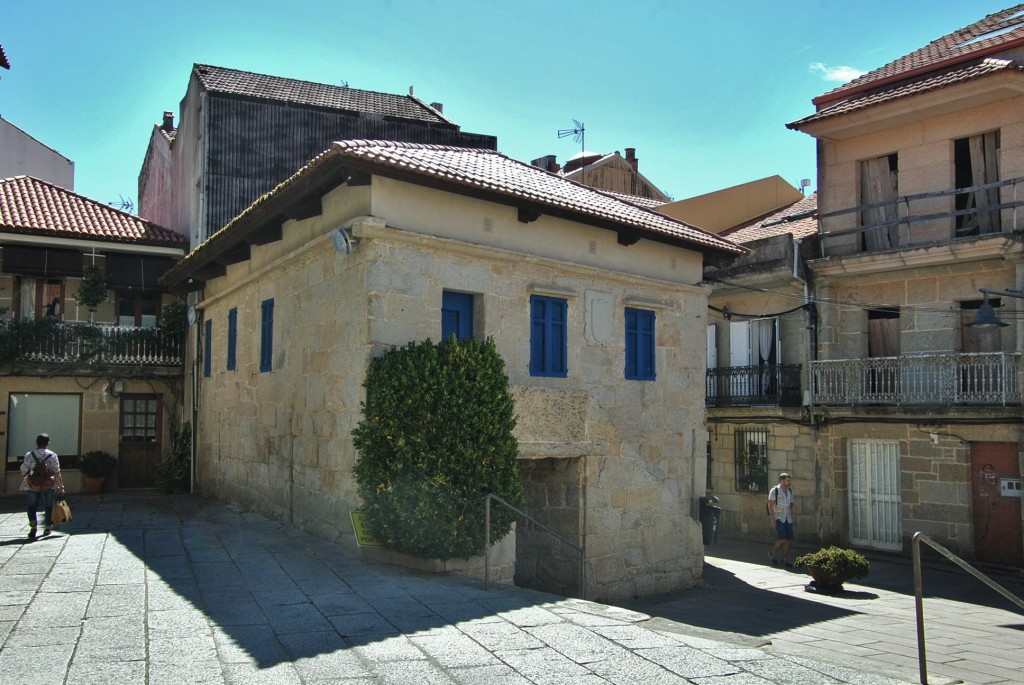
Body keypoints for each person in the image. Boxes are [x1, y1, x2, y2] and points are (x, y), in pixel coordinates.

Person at [19, 433, 65, 540]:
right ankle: (47, 527)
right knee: (48, 505)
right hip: (48, 483)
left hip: (32, 484)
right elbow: (57, 472)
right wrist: (61, 486)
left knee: (31, 505)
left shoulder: (29, 455)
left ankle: (33, 525)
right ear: (48, 444)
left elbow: (23, 471)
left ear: (36, 442)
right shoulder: (52, 455)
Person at [767, 472, 794, 567]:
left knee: (788, 540)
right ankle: (772, 552)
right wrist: (772, 519)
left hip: (788, 518)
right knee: (782, 538)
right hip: (779, 517)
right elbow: (770, 505)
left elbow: (791, 503)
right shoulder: (775, 490)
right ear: (781, 480)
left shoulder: (790, 491)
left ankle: (784, 559)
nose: (789, 482)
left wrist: (792, 507)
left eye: (789, 480)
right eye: (787, 480)